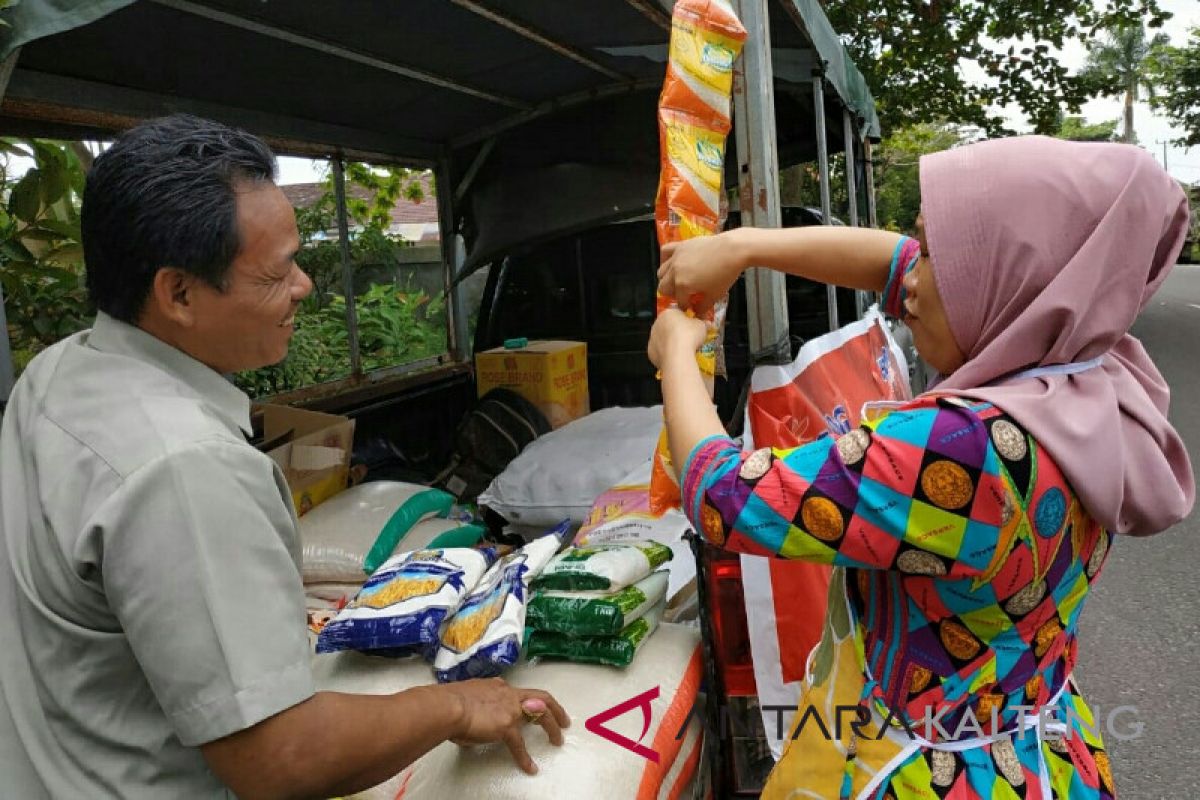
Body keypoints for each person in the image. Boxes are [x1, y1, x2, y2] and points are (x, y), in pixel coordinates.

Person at [0, 114, 568, 799]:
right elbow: (281, 757)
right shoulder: (185, 467)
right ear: (177, 293)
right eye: (275, 274)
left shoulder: (57, 373)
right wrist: (455, 705)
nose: (303, 287)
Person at [649, 136, 1193, 799]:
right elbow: (894, 264)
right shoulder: (1091, 372)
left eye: (935, 256)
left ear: (1007, 277)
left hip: (931, 776)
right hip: (1043, 746)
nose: (909, 278)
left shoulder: (960, 449)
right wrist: (742, 247)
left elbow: (726, 499)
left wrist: (677, 355)